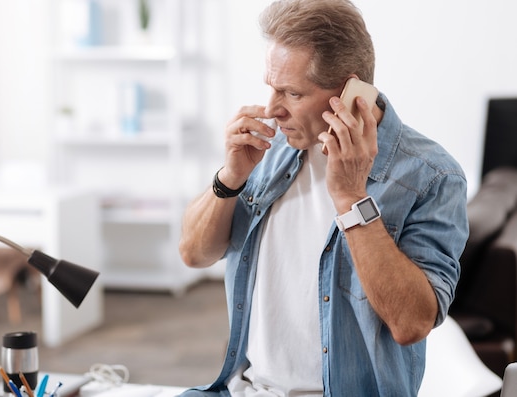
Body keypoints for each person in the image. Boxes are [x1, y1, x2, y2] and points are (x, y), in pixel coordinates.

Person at [178, 0, 468, 396]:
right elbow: (194, 254)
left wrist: (351, 198)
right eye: (271, 87)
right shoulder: (271, 148)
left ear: (352, 94)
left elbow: (411, 323)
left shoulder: (433, 175)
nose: (271, 109)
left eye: (291, 93)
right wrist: (230, 177)